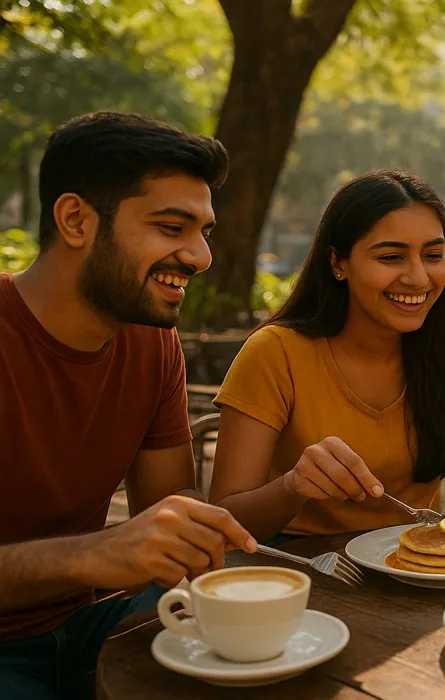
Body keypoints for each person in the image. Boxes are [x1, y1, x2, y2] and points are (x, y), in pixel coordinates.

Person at [0, 112, 256, 699]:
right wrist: (92, 555)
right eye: (171, 227)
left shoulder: (152, 343)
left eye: (204, 232)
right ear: (75, 220)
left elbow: (171, 512)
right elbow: (110, 550)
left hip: (93, 625)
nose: (199, 257)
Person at [208, 169, 445, 542]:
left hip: (413, 560)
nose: (418, 278)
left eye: (433, 255)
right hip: (296, 565)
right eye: (391, 257)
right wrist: (293, 486)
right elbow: (225, 517)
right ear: (338, 263)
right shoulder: (275, 352)